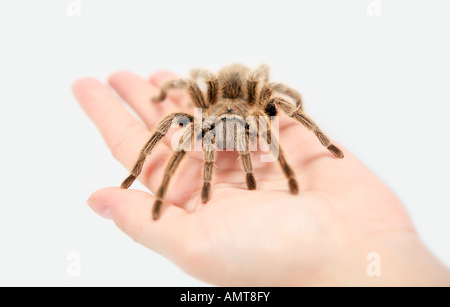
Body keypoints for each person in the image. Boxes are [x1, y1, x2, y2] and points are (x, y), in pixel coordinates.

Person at [72, 70, 450, 286]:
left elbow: (283, 99)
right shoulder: (203, 113)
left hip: (247, 108)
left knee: (278, 109)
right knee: (170, 120)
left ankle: (307, 154)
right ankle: (136, 168)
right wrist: (141, 168)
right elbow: (191, 88)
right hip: (215, 110)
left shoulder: (259, 109)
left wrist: (311, 134)